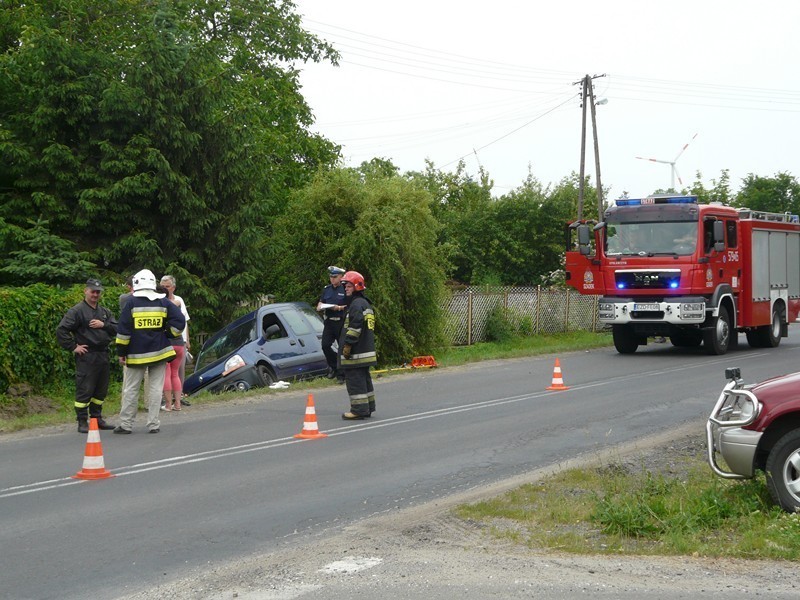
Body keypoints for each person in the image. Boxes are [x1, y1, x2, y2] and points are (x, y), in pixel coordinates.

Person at [114, 269, 185, 434]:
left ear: (136, 284)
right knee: (155, 389)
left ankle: (126, 425)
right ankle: (154, 424)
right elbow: (180, 321)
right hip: (159, 353)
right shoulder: (163, 302)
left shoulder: (130, 303)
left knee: (131, 389)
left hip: (136, 354)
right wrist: (168, 333)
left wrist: (121, 352)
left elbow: (123, 331)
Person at [56, 278, 118, 433]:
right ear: (85, 291)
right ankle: (82, 421)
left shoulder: (104, 312)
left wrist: (104, 325)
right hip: (87, 356)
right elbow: (62, 330)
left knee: (100, 390)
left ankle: (97, 418)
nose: (95, 295)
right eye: (93, 291)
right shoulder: (76, 311)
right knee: (85, 389)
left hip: (103, 354)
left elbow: (117, 329)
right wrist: (73, 347)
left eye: (98, 292)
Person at [337, 270, 377, 420]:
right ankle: (368, 407)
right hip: (365, 351)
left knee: (354, 380)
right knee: (364, 379)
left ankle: (358, 410)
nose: (345, 288)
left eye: (348, 286)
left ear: (356, 287)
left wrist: (348, 345)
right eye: (345, 286)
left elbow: (355, 326)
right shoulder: (365, 303)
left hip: (356, 353)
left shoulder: (356, 305)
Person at [160, 275, 191, 409]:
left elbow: (185, 320)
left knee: (170, 372)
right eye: (163, 287)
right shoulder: (175, 302)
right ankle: (176, 403)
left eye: (167, 287)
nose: (165, 289)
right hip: (177, 341)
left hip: (172, 341)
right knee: (173, 373)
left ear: (173, 287)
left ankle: (169, 403)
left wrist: (187, 340)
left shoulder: (164, 302)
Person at [317, 265, 348, 382]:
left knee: (341, 348)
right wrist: (320, 307)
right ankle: (334, 367)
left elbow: (349, 305)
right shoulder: (327, 289)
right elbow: (320, 304)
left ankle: (341, 375)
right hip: (329, 322)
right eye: (331, 277)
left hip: (341, 321)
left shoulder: (345, 288)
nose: (332, 279)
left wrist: (339, 308)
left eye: (335, 277)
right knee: (325, 345)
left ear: (341, 277)